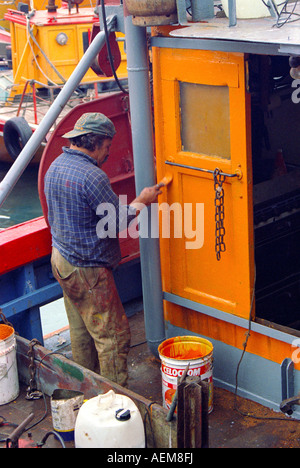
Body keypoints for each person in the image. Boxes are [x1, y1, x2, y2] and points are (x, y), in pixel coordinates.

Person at [44, 112, 161, 387]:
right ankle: (114, 401)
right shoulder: (92, 176)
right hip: (88, 271)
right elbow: (117, 221)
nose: (108, 153)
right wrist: (142, 201)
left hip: (60, 260)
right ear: (96, 142)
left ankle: (85, 392)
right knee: (114, 335)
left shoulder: (54, 167)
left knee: (82, 332)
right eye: (108, 147)